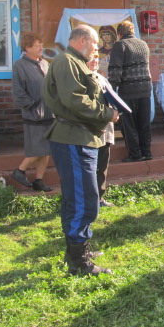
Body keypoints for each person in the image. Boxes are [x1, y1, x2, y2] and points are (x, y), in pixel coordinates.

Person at [42, 25, 119, 276]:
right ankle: (79, 262)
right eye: (95, 43)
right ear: (83, 40)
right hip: (73, 138)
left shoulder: (75, 62)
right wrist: (107, 114)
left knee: (80, 198)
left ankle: (77, 250)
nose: (97, 48)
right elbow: (75, 100)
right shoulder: (67, 61)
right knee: (82, 200)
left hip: (82, 137)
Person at [10, 33, 54, 192]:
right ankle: (20, 171)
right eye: (37, 45)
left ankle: (39, 180)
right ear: (28, 48)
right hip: (34, 114)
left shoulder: (45, 64)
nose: (41, 48)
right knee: (38, 148)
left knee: (47, 148)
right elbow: (18, 92)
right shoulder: (20, 66)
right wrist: (33, 106)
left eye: (41, 45)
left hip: (49, 112)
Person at [108, 20, 153, 163]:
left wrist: (111, 89)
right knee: (144, 123)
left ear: (119, 33)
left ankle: (135, 154)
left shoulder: (120, 45)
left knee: (129, 125)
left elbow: (115, 70)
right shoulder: (143, 44)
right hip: (145, 90)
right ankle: (147, 152)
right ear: (132, 31)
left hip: (128, 91)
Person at [87, 53, 115, 208]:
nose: (95, 60)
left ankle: (99, 198)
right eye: (91, 57)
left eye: (97, 57)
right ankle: (89, 199)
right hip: (91, 131)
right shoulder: (82, 80)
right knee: (90, 167)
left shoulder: (102, 78)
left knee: (102, 166)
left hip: (105, 129)